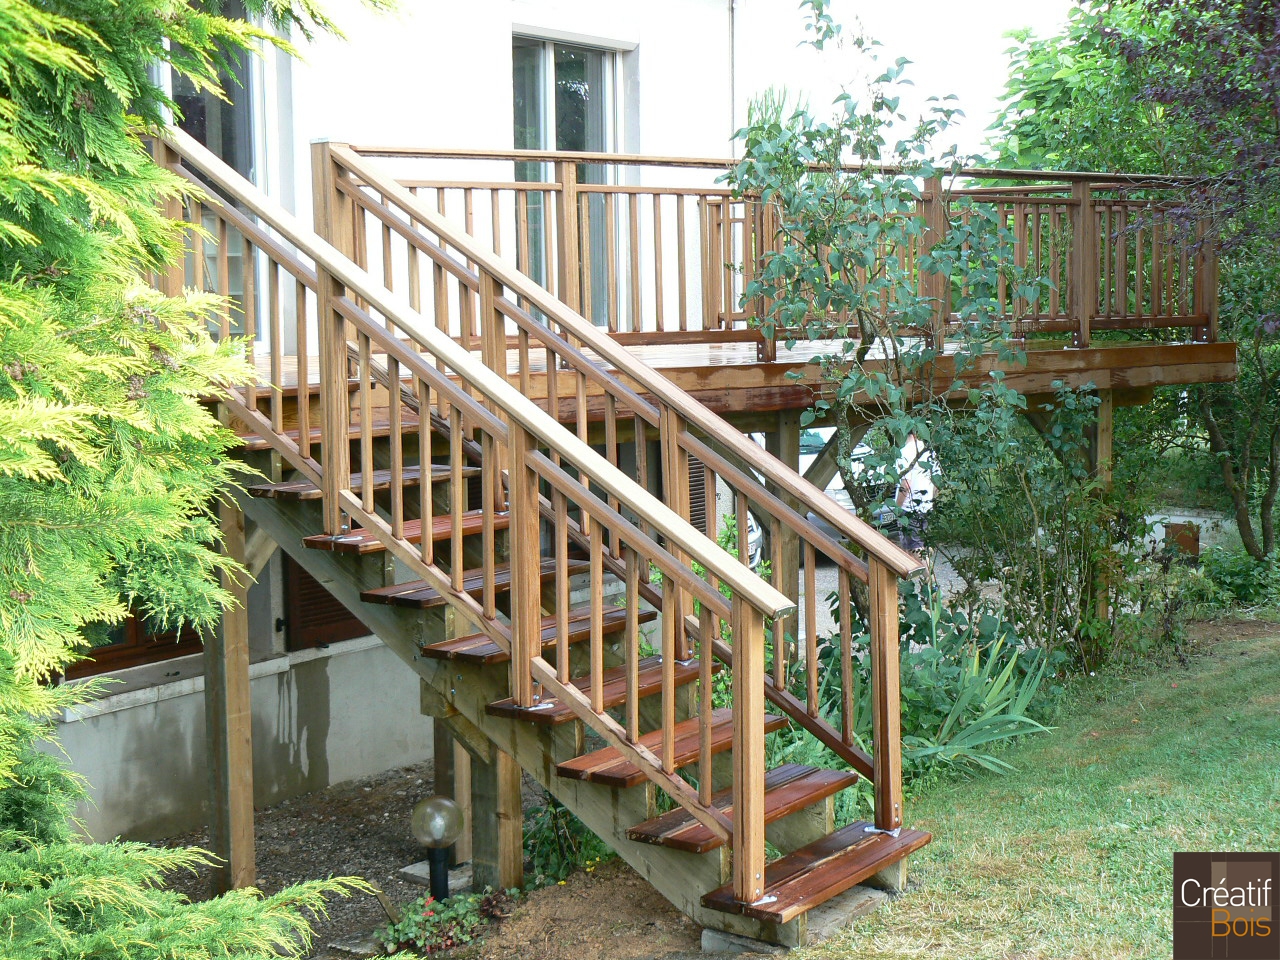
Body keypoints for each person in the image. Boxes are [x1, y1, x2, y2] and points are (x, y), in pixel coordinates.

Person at [894, 432, 936, 552]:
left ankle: (930, 571)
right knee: (922, 544)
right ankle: (928, 567)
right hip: (926, 506)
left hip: (910, 509)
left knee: (914, 548)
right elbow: (937, 484)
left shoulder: (904, 452)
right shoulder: (930, 452)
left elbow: (906, 485)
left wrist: (897, 507)